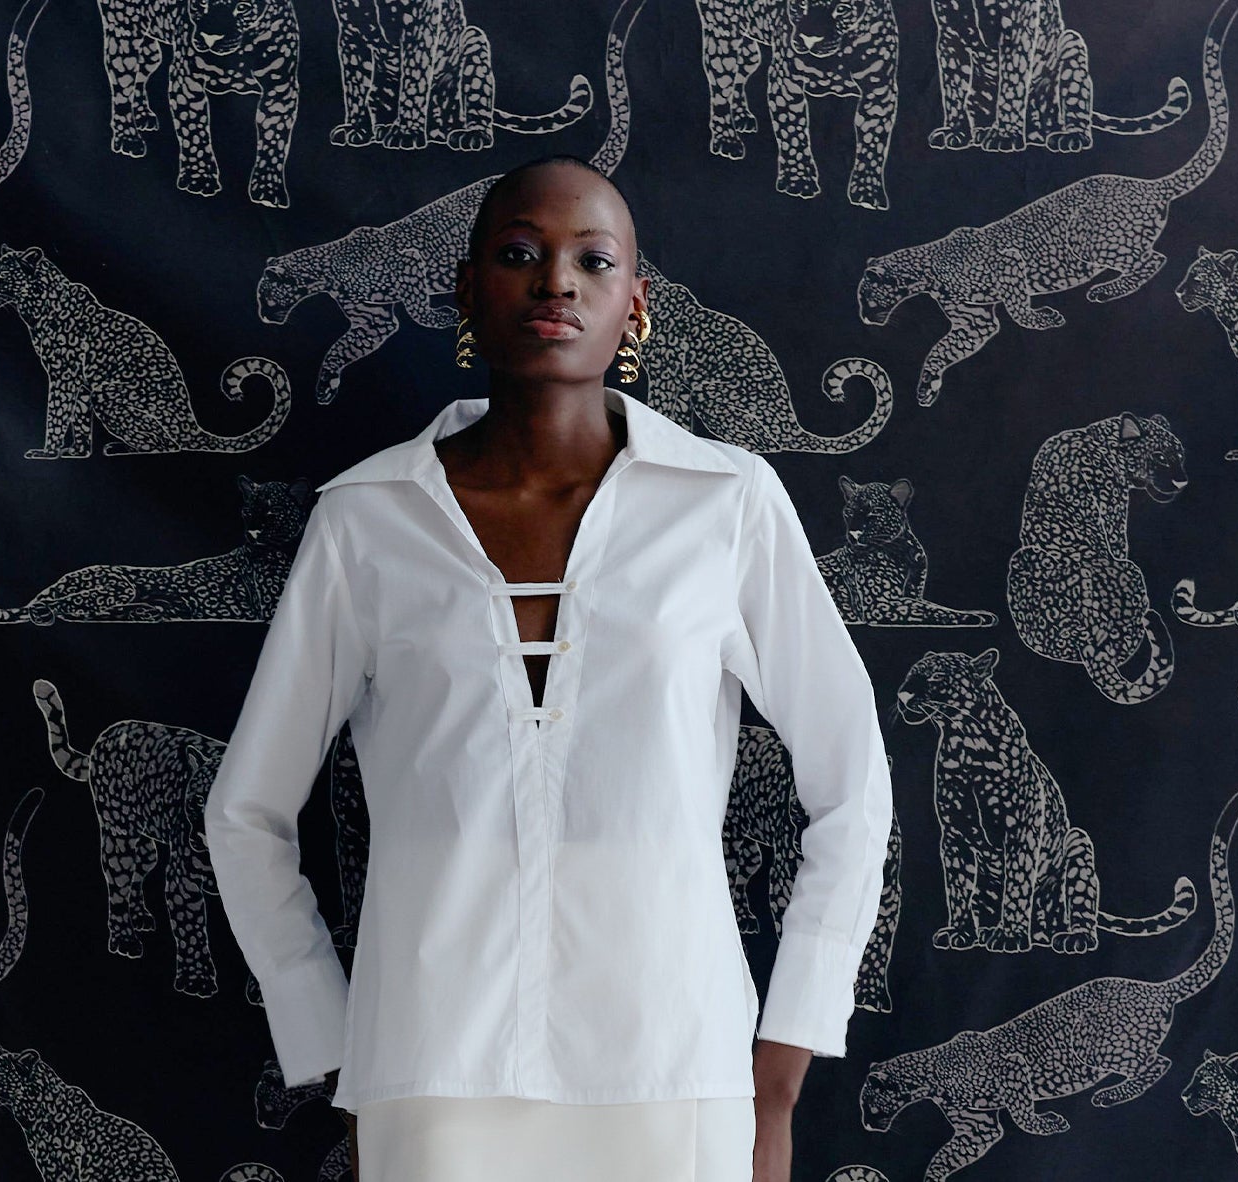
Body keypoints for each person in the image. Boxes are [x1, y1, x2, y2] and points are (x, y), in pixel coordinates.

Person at [203, 153, 894, 1182]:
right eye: (520, 254)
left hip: (678, 1064)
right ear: (467, 293)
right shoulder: (367, 521)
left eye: (592, 259)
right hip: (435, 1073)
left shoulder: (726, 506)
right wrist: (343, 1049)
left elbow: (853, 783)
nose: (556, 281)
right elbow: (246, 814)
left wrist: (783, 1063)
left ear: (636, 304)